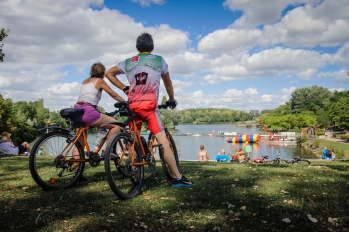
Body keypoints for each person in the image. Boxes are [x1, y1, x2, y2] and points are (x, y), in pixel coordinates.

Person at [105, 32, 193, 187]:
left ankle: (137, 177)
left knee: (134, 140)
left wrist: (124, 88)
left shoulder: (129, 61)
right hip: (149, 107)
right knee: (163, 142)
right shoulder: (159, 60)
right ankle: (177, 178)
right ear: (152, 47)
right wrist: (172, 100)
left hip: (132, 105)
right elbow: (168, 84)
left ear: (137, 47)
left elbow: (108, 74)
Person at [73, 62, 126, 181]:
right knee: (116, 125)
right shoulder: (99, 81)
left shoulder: (85, 81)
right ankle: (107, 151)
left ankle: (76, 174)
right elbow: (113, 94)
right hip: (89, 112)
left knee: (79, 143)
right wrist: (125, 103)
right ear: (102, 73)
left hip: (77, 110)